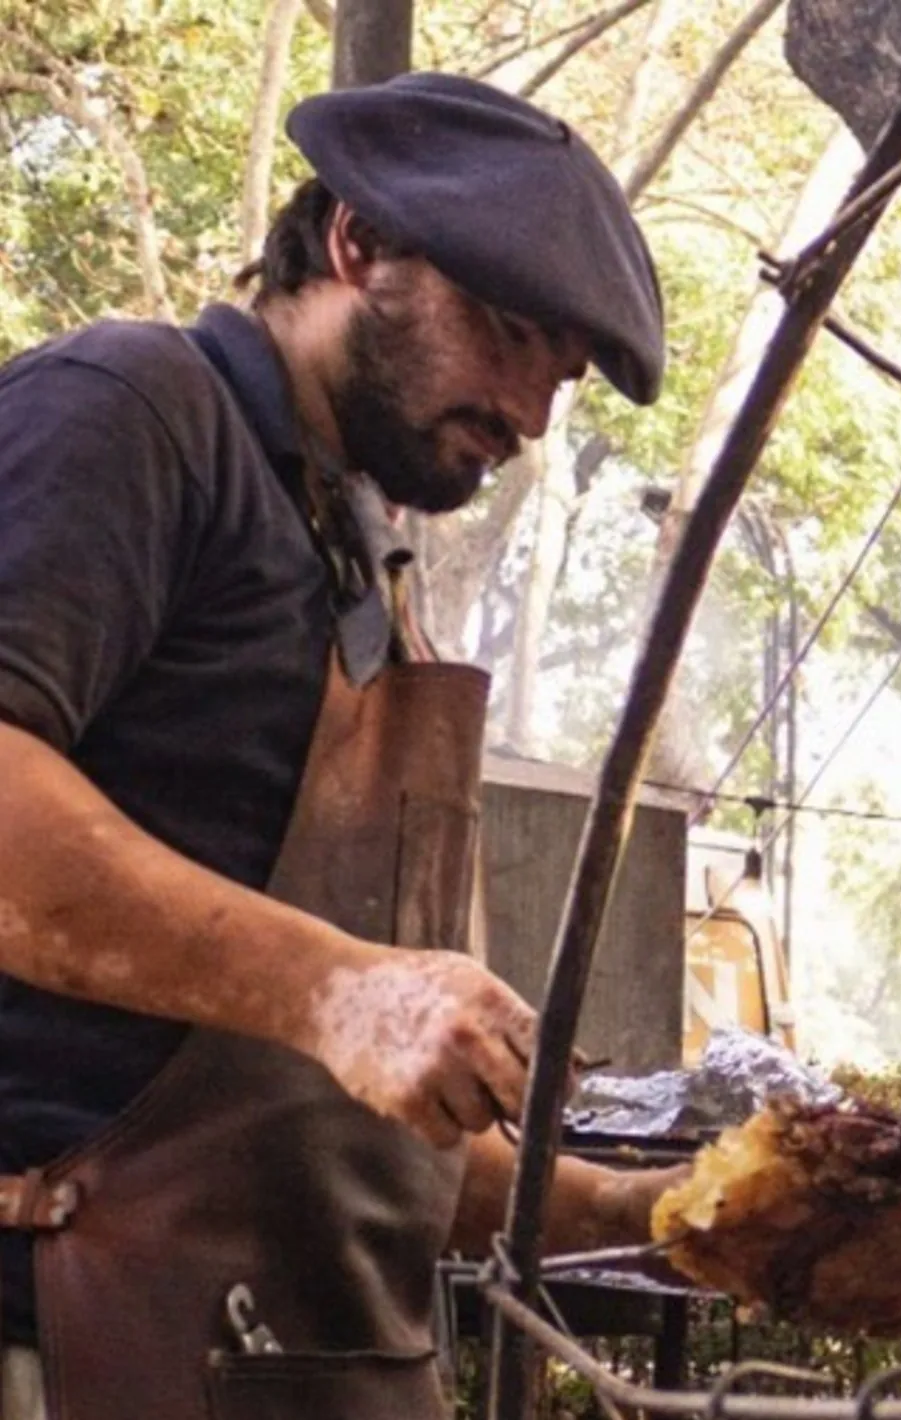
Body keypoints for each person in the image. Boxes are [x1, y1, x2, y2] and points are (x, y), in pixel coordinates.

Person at [0, 73, 681, 1419]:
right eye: (506, 333)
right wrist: (339, 989)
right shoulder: (136, 413)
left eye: (559, 379)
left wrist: (643, 1217)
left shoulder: (366, 575)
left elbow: (335, 1130)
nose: (529, 418)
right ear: (356, 244)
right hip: (63, 1350)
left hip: (296, 1375)